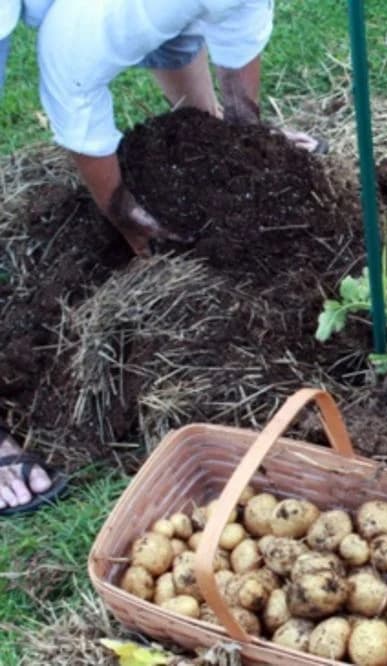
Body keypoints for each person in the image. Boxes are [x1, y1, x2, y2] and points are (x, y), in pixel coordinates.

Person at [0, 0, 323, 512]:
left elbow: (239, 37)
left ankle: (199, 126)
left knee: (178, 34)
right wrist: (127, 219)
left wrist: (245, 143)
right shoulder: (91, 27)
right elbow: (75, 102)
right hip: (86, 29)